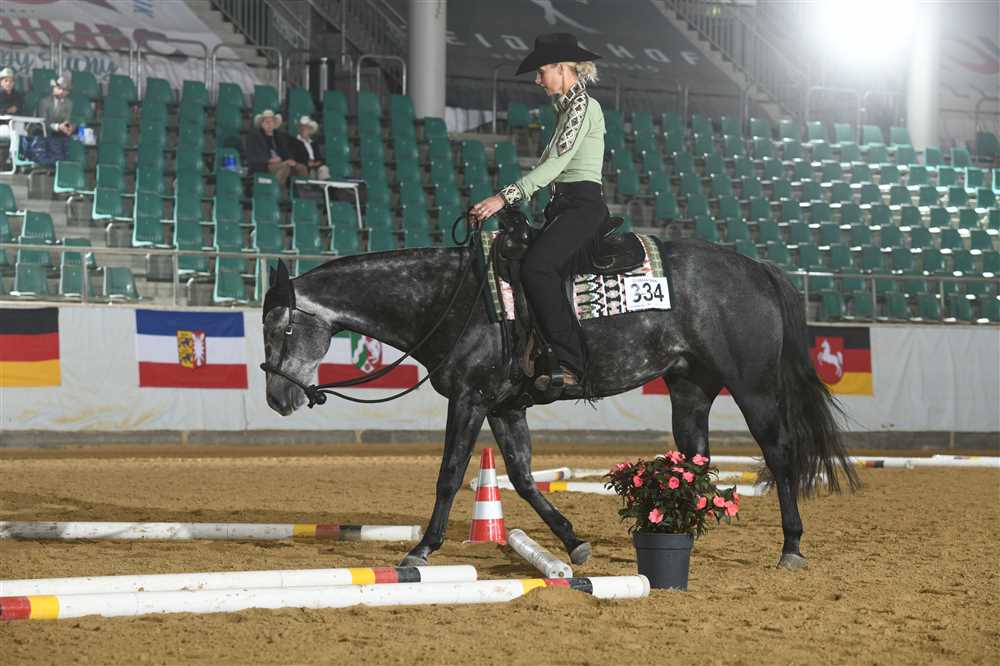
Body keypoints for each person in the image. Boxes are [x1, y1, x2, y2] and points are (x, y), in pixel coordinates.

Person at [470, 33, 605, 387]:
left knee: (538, 268)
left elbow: (554, 166)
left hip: (582, 208)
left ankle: (573, 363)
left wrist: (504, 197)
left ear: (561, 68)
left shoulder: (583, 107)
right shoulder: (567, 110)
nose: (537, 80)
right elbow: (550, 166)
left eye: (541, 71)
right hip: (564, 207)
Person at [245, 109, 300, 192]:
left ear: (274, 124)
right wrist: (269, 160)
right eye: (266, 122)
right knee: (286, 166)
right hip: (265, 165)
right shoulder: (255, 136)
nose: (269, 124)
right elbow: (252, 156)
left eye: (271, 122)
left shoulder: (279, 136)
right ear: (261, 124)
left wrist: (290, 159)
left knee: (300, 167)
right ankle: (272, 190)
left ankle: (302, 193)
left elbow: (286, 152)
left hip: (280, 163)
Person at [288, 115, 330, 180]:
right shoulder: (294, 142)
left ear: (310, 130)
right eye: (302, 127)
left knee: (324, 169)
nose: (303, 129)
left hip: (316, 166)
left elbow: (319, 158)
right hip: (304, 168)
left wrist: (315, 163)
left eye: (306, 127)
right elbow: (294, 157)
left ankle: (326, 185)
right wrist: (307, 163)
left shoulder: (313, 143)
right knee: (312, 173)